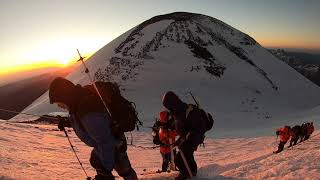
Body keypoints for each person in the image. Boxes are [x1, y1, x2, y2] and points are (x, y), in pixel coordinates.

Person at [49, 77, 137, 180]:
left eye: (59, 102)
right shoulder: (78, 103)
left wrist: (105, 170)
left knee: (124, 171)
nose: (59, 106)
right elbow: (84, 122)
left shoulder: (87, 110)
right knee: (101, 163)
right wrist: (68, 122)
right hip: (109, 145)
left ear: (65, 97)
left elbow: (105, 142)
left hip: (114, 146)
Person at [162, 91, 207, 179]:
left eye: (168, 106)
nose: (168, 108)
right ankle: (192, 172)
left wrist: (190, 135)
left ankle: (185, 174)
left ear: (172, 103)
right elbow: (183, 130)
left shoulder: (187, 111)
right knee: (187, 155)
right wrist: (179, 140)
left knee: (179, 158)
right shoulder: (176, 112)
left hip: (194, 137)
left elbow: (197, 127)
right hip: (188, 138)